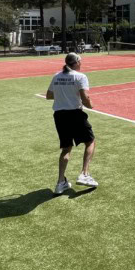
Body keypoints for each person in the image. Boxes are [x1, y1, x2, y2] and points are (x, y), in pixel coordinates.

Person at [45, 52, 98, 194]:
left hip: (59, 116)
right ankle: (84, 174)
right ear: (77, 63)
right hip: (75, 114)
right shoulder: (80, 76)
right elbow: (85, 99)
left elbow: (49, 95)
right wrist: (91, 105)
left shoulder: (57, 76)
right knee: (90, 141)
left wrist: (63, 94)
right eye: (81, 61)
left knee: (66, 148)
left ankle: (60, 182)